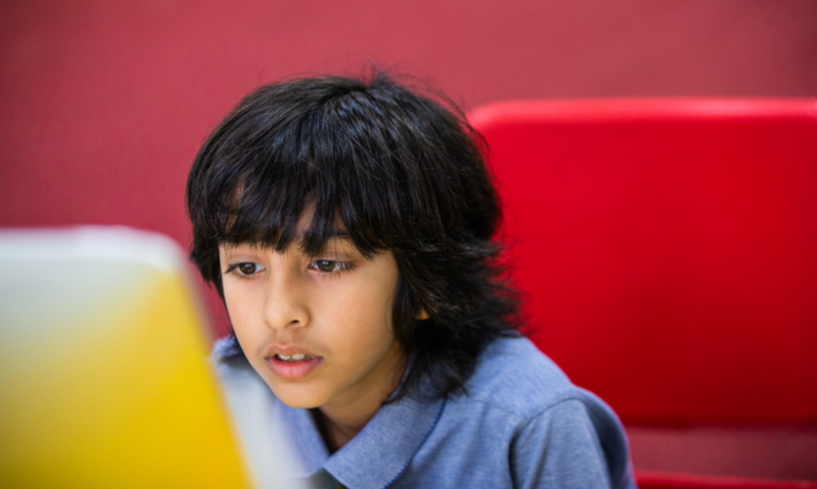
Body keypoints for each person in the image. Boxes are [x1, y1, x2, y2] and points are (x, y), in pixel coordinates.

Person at [186, 71, 637, 489]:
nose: (279, 312)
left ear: (426, 282)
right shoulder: (213, 403)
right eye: (247, 268)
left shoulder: (530, 425)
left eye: (327, 264)